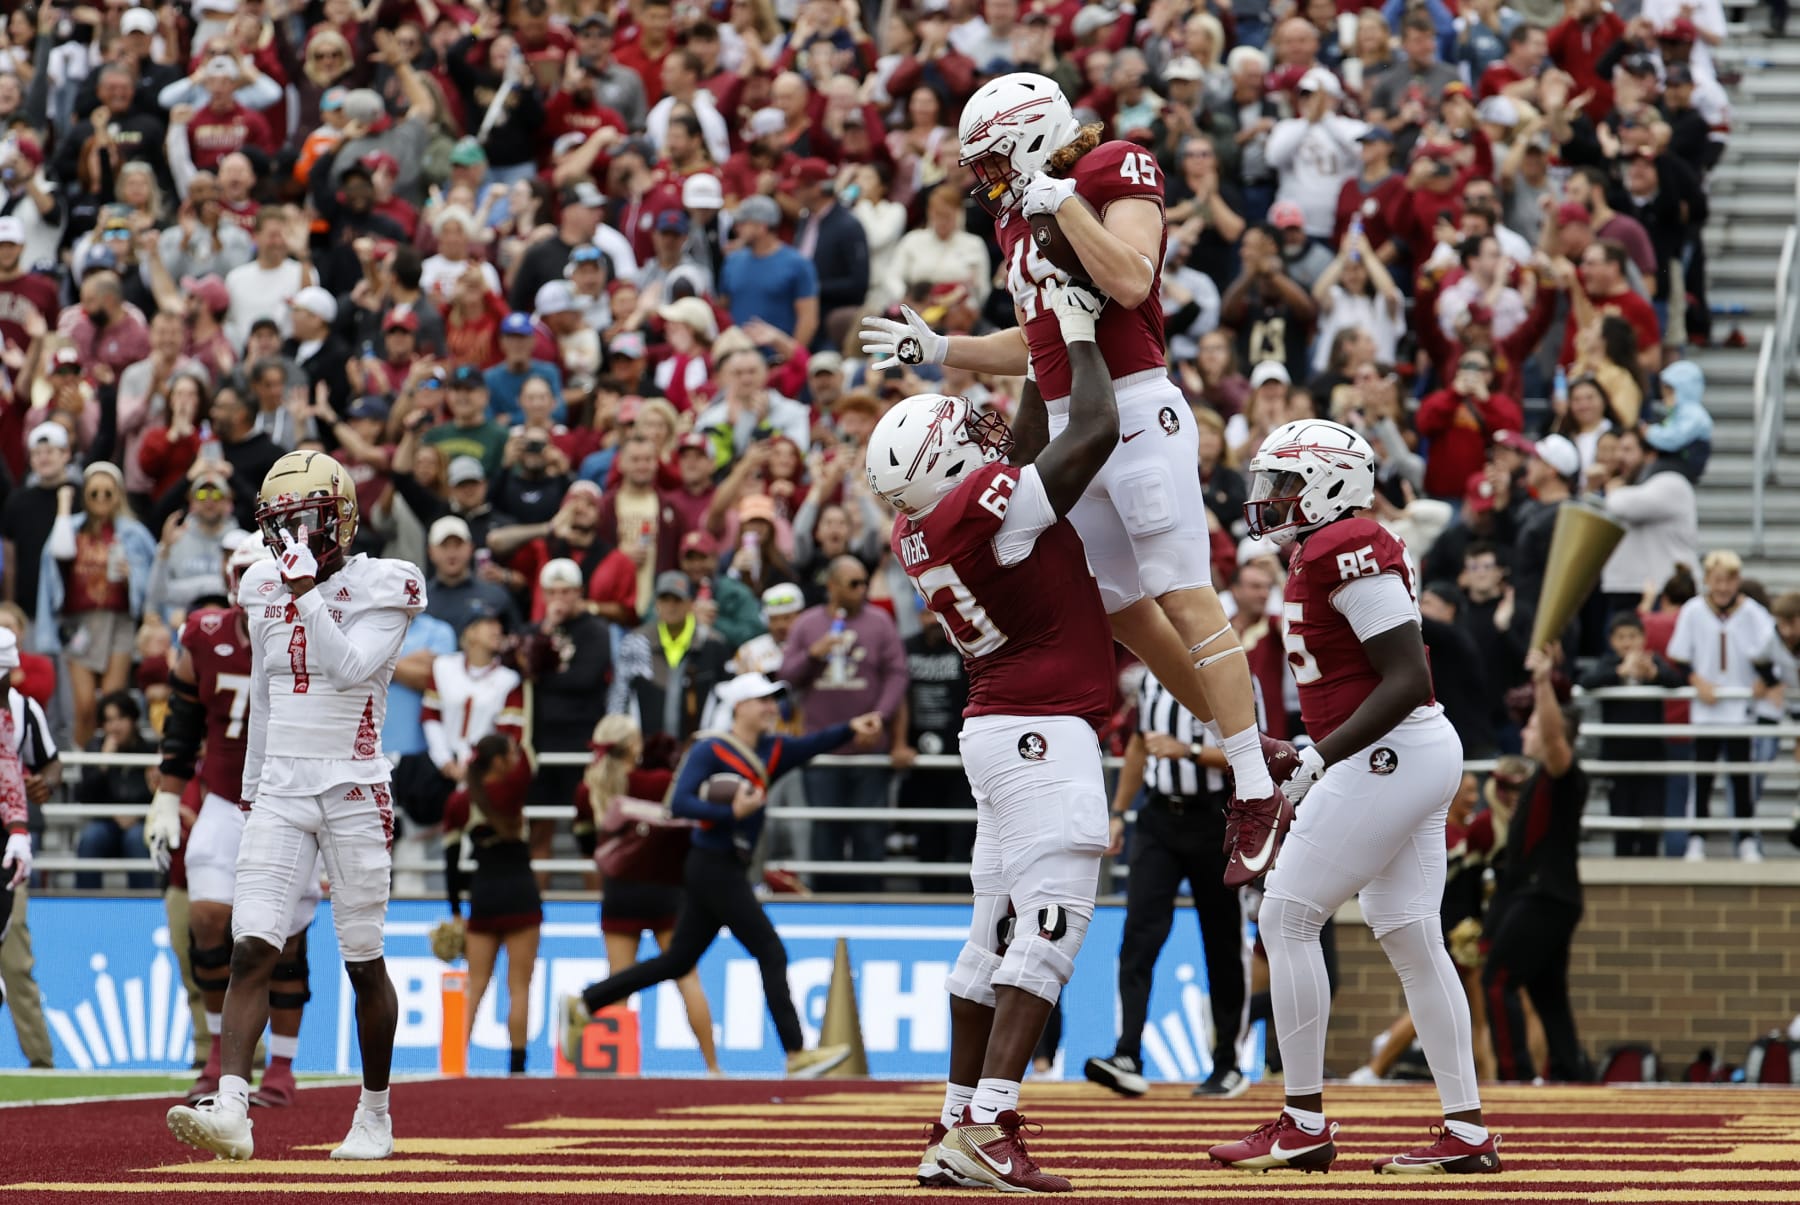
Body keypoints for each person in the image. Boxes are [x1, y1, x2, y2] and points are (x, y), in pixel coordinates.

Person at [862, 73, 1288, 889]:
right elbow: (1039, 341)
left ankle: (1255, 787)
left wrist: (1064, 204)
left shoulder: (1108, 166)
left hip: (1134, 405)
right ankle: (1250, 743)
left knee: (1183, 593)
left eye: (993, 162)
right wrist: (942, 349)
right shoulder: (1017, 216)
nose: (987, 183)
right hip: (1069, 422)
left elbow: (1131, 280)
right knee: (1123, 608)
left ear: (1029, 137)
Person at [865, 280, 1117, 1193]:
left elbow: (1023, 450)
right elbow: (1093, 430)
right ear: (945, 464)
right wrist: (1077, 334)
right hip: (1040, 730)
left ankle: (952, 1120)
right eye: (960, 432)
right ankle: (988, 1122)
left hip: (1000, 726)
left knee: (990, 934)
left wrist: (1035, 348)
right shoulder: (983, 515)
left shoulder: (923, 524)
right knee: (1052, 923)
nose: (980, 431)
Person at [1209, 419, 1497, 1176]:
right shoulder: (1323, 548)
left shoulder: (1349, 543)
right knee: (1410, 933)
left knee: (1286, 915)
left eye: (1284, 482)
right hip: (1399, 752)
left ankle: (1303, 1122)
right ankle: (1466, 1131)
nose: (1269, 497)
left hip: (1390, 752)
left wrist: (1318, 756)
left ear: (1330, 484)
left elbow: (1406, 678)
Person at [166, 451, 426, 1162]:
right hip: (280, 785)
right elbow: (266, 690)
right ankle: (232, 1107)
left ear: (340, 519)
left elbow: (350, 667)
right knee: (252, 944)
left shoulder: (388, 581)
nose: (292, 536)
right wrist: (253, 790)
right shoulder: (259, 582)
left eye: (306, 519)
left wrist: (307, 591)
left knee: (362, 959)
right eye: (280, 523)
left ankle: (374, 1114)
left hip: (353, 784)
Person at [563, 672, 880, 1077]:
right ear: (740, 707)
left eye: (774, 700)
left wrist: (851, 728)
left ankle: (586, 1002)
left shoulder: (771, 749)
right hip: (713, 865)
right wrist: (730, 812)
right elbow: (679, 803)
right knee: (770, 950)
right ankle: (796, 1053)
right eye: (763, 700)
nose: (772, 708)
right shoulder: (711, 748)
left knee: (677, 961)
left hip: (723, 867)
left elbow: (812, 744)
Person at [145, 534, 318, 1107]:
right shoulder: (204, 634)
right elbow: (183, 721)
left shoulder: (308, 630)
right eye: (241, 572)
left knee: (285, 939)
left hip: (289, 801)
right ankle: (219, 1055)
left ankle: (282, 1068)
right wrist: (169, 796)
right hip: (224, 797)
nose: (250, 585)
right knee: (207, 919)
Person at [1084, 665, 1255, 1101]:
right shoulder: (1150, 677)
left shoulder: (1230, 672)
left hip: (1215, 818)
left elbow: (1256, 753)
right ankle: (1127, 1054)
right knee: (1138, 937)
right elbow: (1141, 744)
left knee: (1222, 943)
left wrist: (1189, 751)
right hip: (1158, 818)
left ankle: (1228, 1062)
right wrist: (1119, 813)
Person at [574, 714, 720, 1074]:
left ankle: (617, 1070)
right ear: (632, 746)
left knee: (618, 982)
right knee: (687, 977)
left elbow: (586, 845)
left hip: (619, 893)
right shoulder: (660, 782)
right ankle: (713, 1067)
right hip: (667, 892)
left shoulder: (588, 788)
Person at [1483, 645, 1588, 1082]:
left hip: (1543, 897)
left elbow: (1554, 739)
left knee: (1498, 981)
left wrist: (1543, 681)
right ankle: (1570, 1073)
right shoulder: (1538, 780)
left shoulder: (1563, 775)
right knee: (1548, 993)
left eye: (1532, 725)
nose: (1525, 731)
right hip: (1547, 897)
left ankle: (1513, 1073)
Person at [779, 555, 909, 893]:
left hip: (869, 751)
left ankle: (871, 908)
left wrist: (880, 717)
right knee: (825, 833)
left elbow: (897, 675)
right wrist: (814, 653)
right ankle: (827, 906)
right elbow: (787, 676)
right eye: (854, 583)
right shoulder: (807, 624)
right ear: (832, 586)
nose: (862, 589)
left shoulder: (880, 622)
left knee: (869, 833)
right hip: (822, 753)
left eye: (864, 582)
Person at [1666, 550, 1778, 862]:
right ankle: (1696, 838)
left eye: (1729, 580)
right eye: (1717, 580)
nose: (1723, 588)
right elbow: (1678, 657)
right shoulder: (1693, 611)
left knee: (1741, 778)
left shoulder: (1753, 613)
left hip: (1740, 712)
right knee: (1702, 777)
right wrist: (1697, 681)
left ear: (1737, 581)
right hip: (1705, 711)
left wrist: (1763, 681)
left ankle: (1746, 839)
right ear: (1707, 580)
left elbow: (1772, 654)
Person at [442, 733, 539, 1075]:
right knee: (519, 987)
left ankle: (454, 1063)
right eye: (508, 754)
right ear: (498, 761)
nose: (514, 759)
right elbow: (528, 760)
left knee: (476, 984)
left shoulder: (461, 802)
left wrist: (456, 910)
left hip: (484, 897)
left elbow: (451, 864)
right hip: (522, 895)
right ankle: (517, 1068)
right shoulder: (513, 789)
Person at [73, 691, 159, 890]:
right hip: (106, 822)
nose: (115, 726)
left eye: (121, 718)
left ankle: (144, 904)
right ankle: (84, 903)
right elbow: (84, 796)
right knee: (90, 839)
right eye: (109, 720)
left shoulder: (150, 750)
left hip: (141, 822)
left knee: (137, 839)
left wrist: (137, 814)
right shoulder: (95, 748)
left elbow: (158, 795)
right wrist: (103, 764)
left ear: (133, 719)